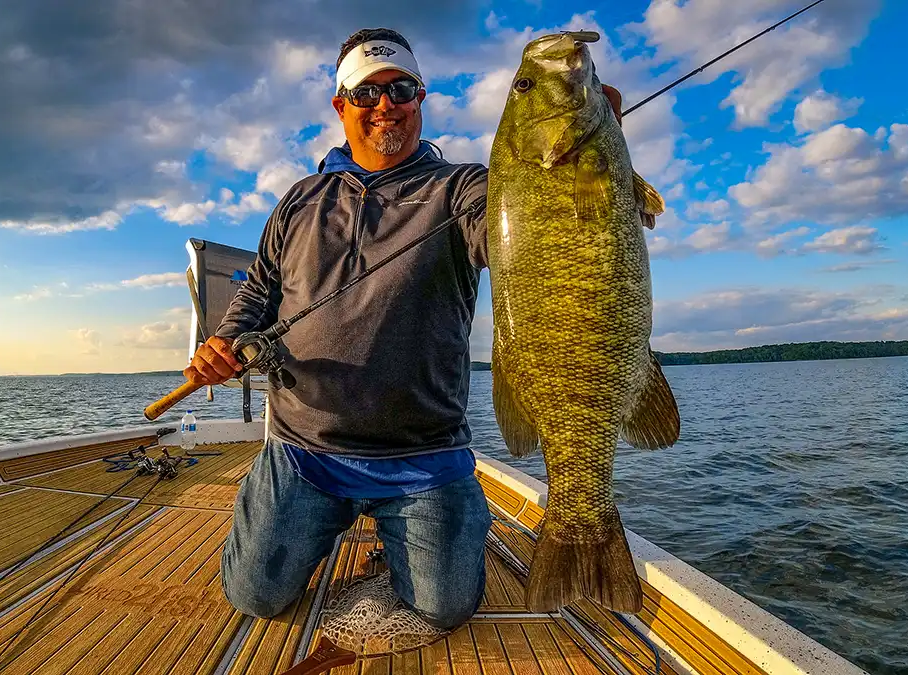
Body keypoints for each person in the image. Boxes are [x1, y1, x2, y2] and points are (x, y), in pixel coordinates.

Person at [184, 27, 624, 631]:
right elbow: (260, 290)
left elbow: (543, 231)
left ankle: (412, 534)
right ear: (341, 106)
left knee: (444, 606)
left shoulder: (466, 190)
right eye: (366, 93)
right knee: (254, 595)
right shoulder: (298, 201)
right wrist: (226, 343)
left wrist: (591, 156)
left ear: (421, 98)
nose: (385, 105)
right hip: (304, 449)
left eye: (401, 89)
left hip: (424, 454)